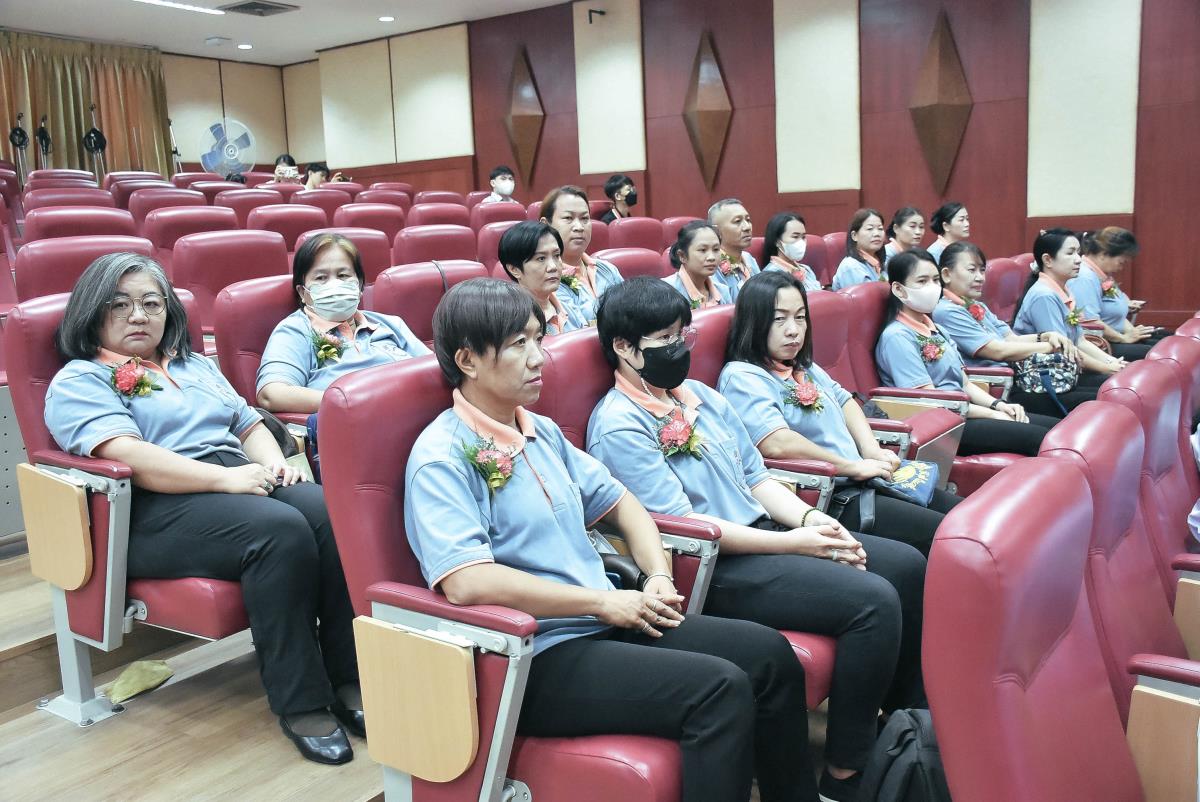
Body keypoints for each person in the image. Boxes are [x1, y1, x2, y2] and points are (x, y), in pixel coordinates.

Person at [406, 278, 817, 802]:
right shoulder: (442, 457)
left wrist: (658, 575)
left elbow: (624, 505)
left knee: (769, 655)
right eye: (518, 344)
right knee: (718, 690)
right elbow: (466, 582)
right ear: (468, 360)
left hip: (605, 617)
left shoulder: (539, 431)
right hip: (533, 654)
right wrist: (602, 602)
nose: (538, 357)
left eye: (538, 339)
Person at [587, 277, 927, 801]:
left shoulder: (698, 396)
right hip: (711, 564)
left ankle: (908, 728)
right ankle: (847, 769)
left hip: (763, 532)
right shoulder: (619, 424)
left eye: (683, 335)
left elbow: (756, 477)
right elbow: (681, 526)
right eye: (665, 339)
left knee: (903, 565)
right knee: (872, 601)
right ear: (625, 348)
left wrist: (809, 521)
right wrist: (796, 544)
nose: (679, 349)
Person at [44, 253, 361, 765]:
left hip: (231, 478)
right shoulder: (81, 379)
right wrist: (227, 480)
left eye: (151, 303)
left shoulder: (193, 364)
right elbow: (130, 457)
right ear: (92, 312)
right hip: (148, 508)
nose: (138, 315)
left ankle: (348, 677)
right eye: (119, 305)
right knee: (278, 530)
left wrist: (276, 465)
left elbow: (247, 423)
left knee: (327, 513)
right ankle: (301, 701)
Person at [721, 271, 961, 555]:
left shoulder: (802, 366)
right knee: (951, 535)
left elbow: (845, 400)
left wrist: (871, 450)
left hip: (866, 478)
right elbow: (777, 443)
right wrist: (851, 467)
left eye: (800, 317)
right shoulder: (743, 377)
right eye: (779, 319)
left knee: (965, 514)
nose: (793, 330)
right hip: (832, 495)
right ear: (754, 322)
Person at [877, 250, 1057, 456]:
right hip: (941, 425)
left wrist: (998, 405)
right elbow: (930, 401)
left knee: (1055, 429)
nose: (933, 287)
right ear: (899, 290)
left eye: (935, 280)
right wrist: (991, 414)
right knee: (1041, 438)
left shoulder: (935, 328)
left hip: (963, 411)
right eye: (922, 281)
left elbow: (964, 384)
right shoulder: (897, 337)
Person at [257, 234, 430, 414]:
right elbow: (271, 394)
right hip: (357, 422)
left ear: (359, 285)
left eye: (343, 275)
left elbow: (435, 369)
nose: (334, 284)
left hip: (420, 413)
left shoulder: (390, 323)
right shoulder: (295, 330)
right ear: (302, 292)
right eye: (321, 278)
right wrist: (358, 403)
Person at [933, 241, 1095, 418]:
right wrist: (1050, 346)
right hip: (1000, 387)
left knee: (1095, 399)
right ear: (946, 275)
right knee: (1090, 405)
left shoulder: (976, 305)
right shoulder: (947, 311)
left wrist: (1046, 336)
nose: (980, 277)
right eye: (972, 270)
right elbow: (998, 351)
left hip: (1020, 379)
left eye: (982, 270)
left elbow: (1011, 338)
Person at [1012, 228, 1127, 383]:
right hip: (1045, 378)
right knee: (1116, 386)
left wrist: (1112, 362)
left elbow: (1080, 341)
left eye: (1078, 252)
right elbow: (1062, 350)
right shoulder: (1044, 296)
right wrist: (1106, 368)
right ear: (1048, 260)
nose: (1078, 259)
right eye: (1070, 253)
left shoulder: (1064, 289)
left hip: (1066, 369)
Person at [1068, 227, 1161, 360]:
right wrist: (1123, 338)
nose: (1121, 267)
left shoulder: (1102, 275)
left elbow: (1117, 309)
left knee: (1165, 340)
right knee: (1158, 354)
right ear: (1103, 254)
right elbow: (1091, 323)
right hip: (1098, 343)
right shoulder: (1084, 277)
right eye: (1121, 262)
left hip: (1116, 335)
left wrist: (1132, 332)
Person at [541, 185, 624, 324]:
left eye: (585, 218)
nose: (579, 227)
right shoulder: (545, 279)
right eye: (568, 218)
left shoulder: (607, 269)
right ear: (546, 225)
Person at [499, 220, 588, 334]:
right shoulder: (511, 321)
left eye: (556, 255)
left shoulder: (569, 303)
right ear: (514, 269)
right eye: (541, 258)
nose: (553, 267)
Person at [664, 221, 732, 308]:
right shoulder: (666, 291)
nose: (711, 257)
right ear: (682, 256)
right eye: (703, 250)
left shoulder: (723, 291)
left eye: (716, 249)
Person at [708, 198, 760, 301]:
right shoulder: (711, 265)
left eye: (748, 220)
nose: (747, 227)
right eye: (737, 221)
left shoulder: (748, 258)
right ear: (716, 230)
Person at [760, 212, 822, 291]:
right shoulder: (770, 276)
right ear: (777, 241)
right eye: (795, 236)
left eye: (803, 237)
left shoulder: (806, 270)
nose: (801, 242)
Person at [831, 208, 888, 290]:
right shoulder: (851, 267)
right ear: (854, 235)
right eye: (870, 229)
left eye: (880, 229)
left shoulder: (880, 263)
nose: (877, 234)